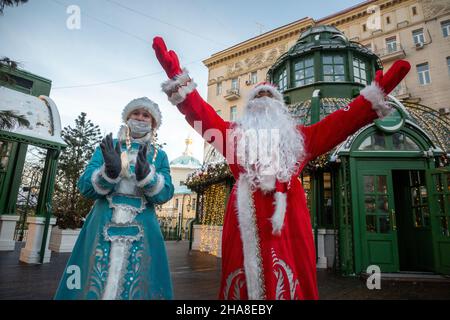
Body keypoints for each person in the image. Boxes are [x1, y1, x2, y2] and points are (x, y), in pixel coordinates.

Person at [152, 36, 410, 300]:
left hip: (289, 222)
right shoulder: (232, 137)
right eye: (258, 96)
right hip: (243, 219)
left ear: (280, 106)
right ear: (249, 107)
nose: (263, 99)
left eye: (269, 95)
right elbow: (201, 115)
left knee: (289, 274)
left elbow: (340, 124)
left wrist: (370, 99)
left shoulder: (300, 138)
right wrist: (177, 77)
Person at [54, 97, 174, 300]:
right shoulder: (108, 148)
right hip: (102, 224)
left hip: (143, 230)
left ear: (153, 123)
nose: (140, 118)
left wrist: (148, 178)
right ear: (127, 117)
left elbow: (166, 193)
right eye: (136, 113)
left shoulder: (159, 156)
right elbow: (85, 186)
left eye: (146, 115)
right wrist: (108, 172)